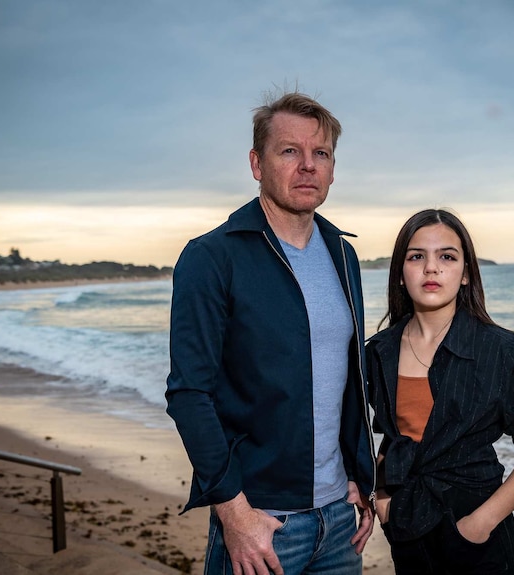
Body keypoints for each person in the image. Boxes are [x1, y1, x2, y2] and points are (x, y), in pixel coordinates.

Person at [166, 91, 376, 575]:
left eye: (320, 153)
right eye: (289, 151)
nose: (308, 166)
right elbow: (189, 393)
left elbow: (347, 380)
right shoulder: (212, 257)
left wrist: (359, 476)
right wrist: (233, 513)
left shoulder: (343, 255)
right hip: (262, 520)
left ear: (332, 167)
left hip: (341, 521)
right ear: (257, 163)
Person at [366, 209, 514, 574]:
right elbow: (393, 438)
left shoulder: (498, 351)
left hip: (477, 536)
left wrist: (480, 523)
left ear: (466, 272)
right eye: (417, 256)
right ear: (401, 272)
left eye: (447, 256)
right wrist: (383, 500)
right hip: (408, 531)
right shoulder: (379, 351)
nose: (431, 268)